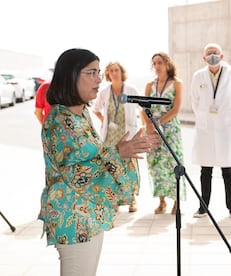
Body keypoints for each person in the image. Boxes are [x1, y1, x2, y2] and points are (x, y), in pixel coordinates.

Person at [37, 48, 160, 276]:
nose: (98, 79)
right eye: (91, 73)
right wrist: (118, 152)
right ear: (71, 75)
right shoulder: (59, 120)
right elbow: (75, 172)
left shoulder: (80, 114)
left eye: (98, 72)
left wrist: (122, 151)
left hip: (90, 214)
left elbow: (94, 157)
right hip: (72, 218)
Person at [191, 43, 231, 219]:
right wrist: (205, 118)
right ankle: (203, 206)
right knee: (206, 170)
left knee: (228, 170)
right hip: (207, 128)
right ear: (204, 58)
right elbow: (195, 101)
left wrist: (227, 117)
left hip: (225, 127)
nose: (212, 56)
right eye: (209, 54)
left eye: (215, 53)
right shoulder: (199, 76)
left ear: (222, 56)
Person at [92, 61, 140, 212]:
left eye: (117, 70)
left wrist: (144, 129)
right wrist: (104, 121)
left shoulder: (131, 89)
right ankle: (115, 200)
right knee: (112, 167)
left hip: (128, 133)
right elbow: (95, 109)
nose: (114, 73)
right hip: (111, 136)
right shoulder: (105, 92)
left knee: (129, 167)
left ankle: (132, 199)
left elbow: (142, 109)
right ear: (108, 74)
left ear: (121, 72)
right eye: (111, 70)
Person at [142, 52, 186, 215]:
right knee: (156, 165)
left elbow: (176, 109)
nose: (157, 66)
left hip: (170, 129)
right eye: (154, 63)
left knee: (172, 163)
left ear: (167, 63)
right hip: (153, 129)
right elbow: (144, 107)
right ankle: (161, 201)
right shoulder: (149, 84)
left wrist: (159, 122)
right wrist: (150, 125)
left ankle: (176, 201)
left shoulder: (176, 83)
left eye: (160, 62)